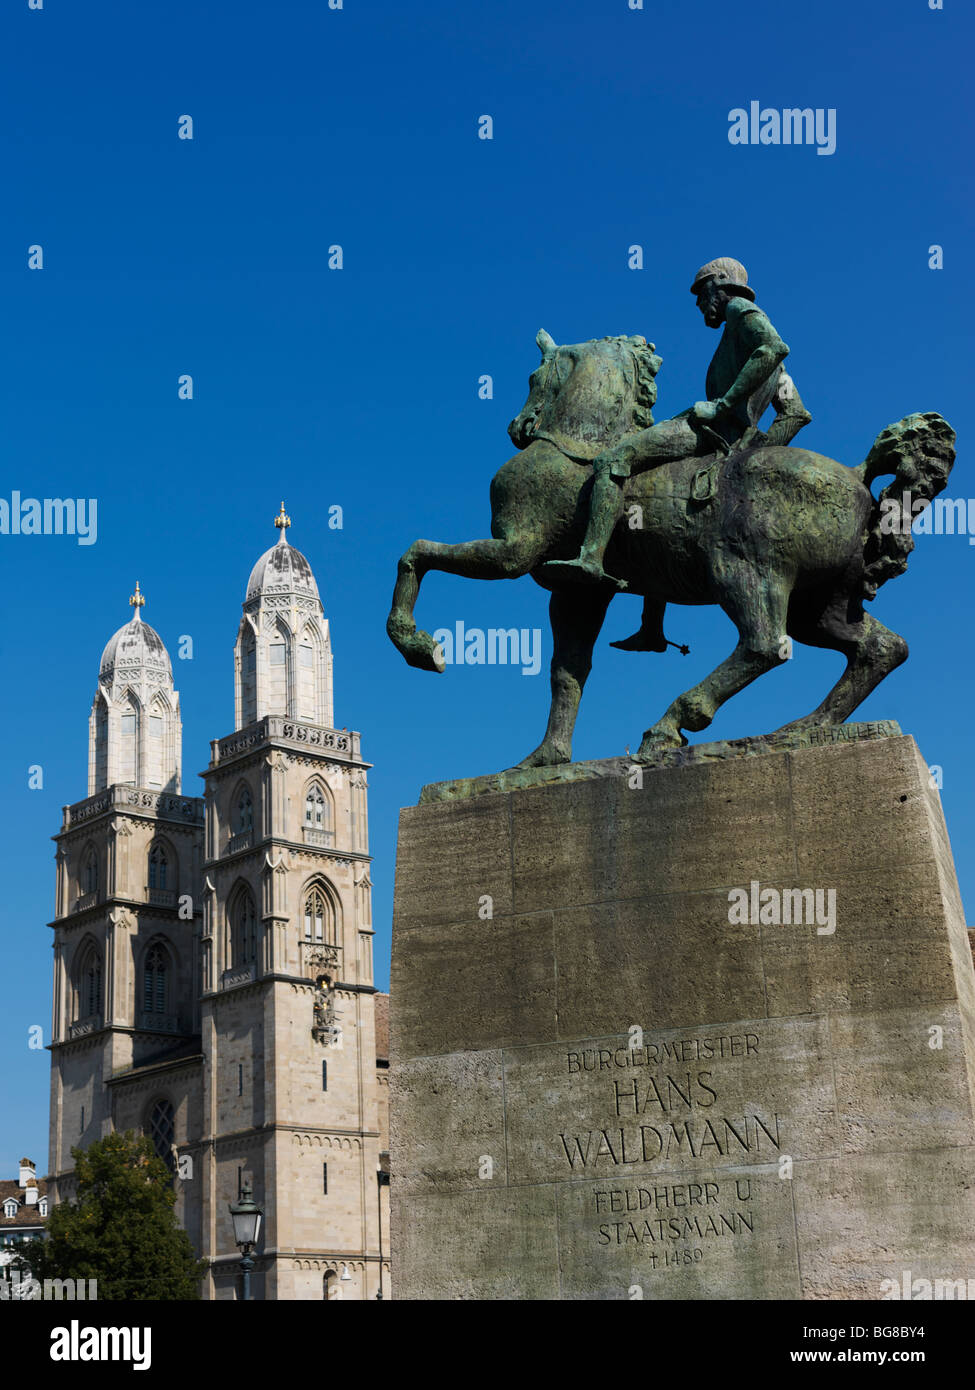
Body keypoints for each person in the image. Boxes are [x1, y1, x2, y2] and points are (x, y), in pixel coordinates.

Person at [545, 258, 812, 597]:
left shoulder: (739, 311)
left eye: (701, 293)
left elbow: (774, 346)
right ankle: (651, 625)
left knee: (613, 459)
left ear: (719, 284)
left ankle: (591, 558)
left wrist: (723, 405)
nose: (699, 303)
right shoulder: (772, 365)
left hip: (710, 431)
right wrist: (754, 453)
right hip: (730, 441)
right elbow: (796, 413)